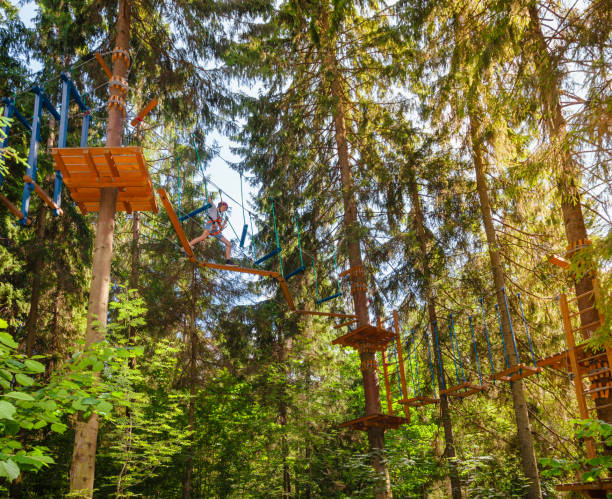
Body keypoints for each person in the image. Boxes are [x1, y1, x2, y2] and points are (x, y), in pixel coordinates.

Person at [189, 196, 234, 265]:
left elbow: (221, 228)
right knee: (203, 237)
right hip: (210, 226)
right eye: (224, 208)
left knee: (229, 244)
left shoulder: (219, 217)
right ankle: (189, 244)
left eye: (225, 209)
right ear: (220, 206)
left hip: (215, 230)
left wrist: (225, 222)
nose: (224, 210)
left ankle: (228, 261)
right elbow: (209, 200)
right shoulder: (213, 208)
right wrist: (208, 194)